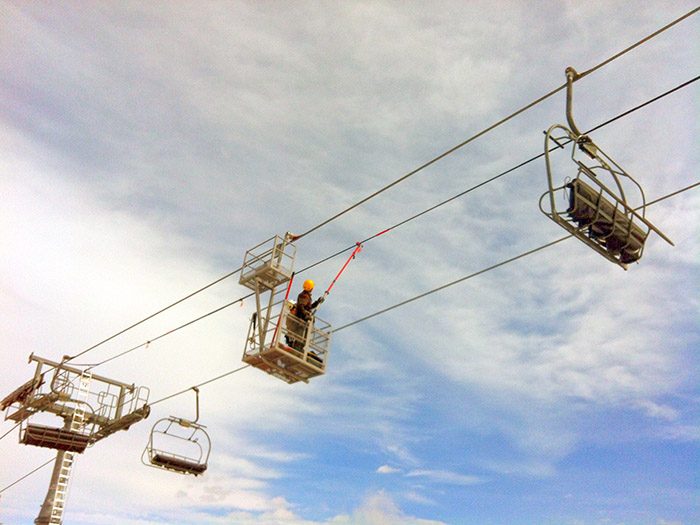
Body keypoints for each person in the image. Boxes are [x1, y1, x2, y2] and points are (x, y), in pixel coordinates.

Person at [286, 279, 324, 351]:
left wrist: (317, 302)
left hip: (303, 321)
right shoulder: (304, 296)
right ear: (311, 288)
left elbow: (309, 307)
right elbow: (301, 306)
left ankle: (299, 348)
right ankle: (297, 348)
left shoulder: (306, 296)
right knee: (301, 337)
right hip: (301, 321)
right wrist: (305, 314)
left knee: (304, 338)